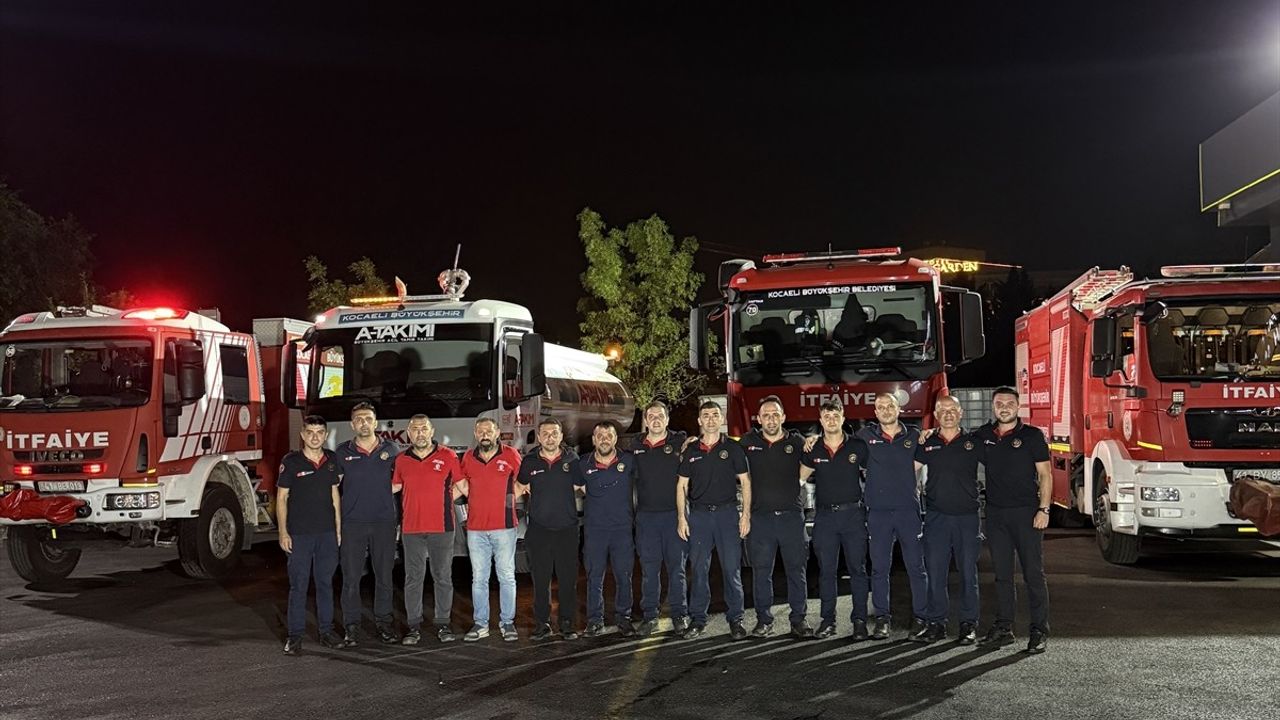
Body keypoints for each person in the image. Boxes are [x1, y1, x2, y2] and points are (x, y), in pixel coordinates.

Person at [973, 387, 1052, 654]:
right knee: (1002, 575)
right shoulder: (984, 436)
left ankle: (1039, 630)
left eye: (1009, 403)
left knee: (1033, 574)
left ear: (1018, 407)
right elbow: (958, 442)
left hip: (1027, 514)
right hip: (996, 515)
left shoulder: (1031, 436)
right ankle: (1004, 627)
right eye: (999, 403)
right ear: (993, 407)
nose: (1004, 407)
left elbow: (1045, 475)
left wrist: (1044, 509)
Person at [911, 395, 984, 645]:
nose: (948, 414)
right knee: (936, 573)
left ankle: (968, 625)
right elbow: (911, 470)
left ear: (961, 413)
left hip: (967, 517)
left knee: (968, 574)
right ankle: (937, 623)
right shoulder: (928, 442)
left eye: (953, 410)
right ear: (936, 415)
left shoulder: (973, 442)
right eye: (943, 410)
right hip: (936, 518)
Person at [677, 400, 752, 640]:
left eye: (715, 415)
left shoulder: (732, 449)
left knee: (731, 570)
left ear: (722, 420)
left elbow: (746, 482)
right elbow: (681, 486)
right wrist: (682, 517)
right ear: (699, 421)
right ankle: (698, 619)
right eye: (706, 415)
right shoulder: (691, 451)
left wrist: (745, 515)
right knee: (699, 570)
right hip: (699, 517)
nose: (710, 419)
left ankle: (736, 619)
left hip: (727, 515)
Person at [856, 392, 928, 640]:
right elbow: (841, 447)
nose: (885, 410)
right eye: (880, 407)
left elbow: (919, 463)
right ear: (875, 413)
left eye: (890, 406)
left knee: (916, 568)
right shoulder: (864, 437)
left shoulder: (915, 436)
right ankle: (882, 620)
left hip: (908, 512)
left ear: (899, 410)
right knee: (879, 569)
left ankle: (921, 618)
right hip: (878, 513)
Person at [740, 395, 812, 639]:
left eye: (775, 414)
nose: (770, 419)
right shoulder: (747, 443)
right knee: (761, 572)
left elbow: (816, 457)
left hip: (791, 518)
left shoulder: (798, 442)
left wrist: (800, 478)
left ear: (783, 417)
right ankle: (763, 621)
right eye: (766, 415)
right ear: (758, 419)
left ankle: (799, 620)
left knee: (796, 570)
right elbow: (723, 450)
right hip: (761, 519)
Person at [800, 399, 871, 640]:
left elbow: (876, 474)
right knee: (826, 572)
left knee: (858, 570)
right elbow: (798, 481)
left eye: (835, 416)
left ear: (843, 418)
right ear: (820, 420)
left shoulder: (858, 447)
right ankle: (827, 621)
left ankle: (860, 621)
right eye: (826, 416)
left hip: (853, 516)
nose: (831, 420)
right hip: (825, 518)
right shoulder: (813, 449)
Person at [394, 414, 464, 645]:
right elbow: (394, 487)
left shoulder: (448, 456)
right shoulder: (402, 459)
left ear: (432, 431)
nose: (420, 433)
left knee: (442, 576)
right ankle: (413, 626)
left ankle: (443, 623)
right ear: (409, 433)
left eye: (424, 429)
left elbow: (463, 486)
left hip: (442, 527)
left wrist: (444, 499)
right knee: (413, 578)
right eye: (415, 429)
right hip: (411, 528)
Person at [278, 415, 344, 655]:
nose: (315, 437)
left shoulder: (332, 460)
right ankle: (294, 636)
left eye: (320, 432)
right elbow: (282, 498)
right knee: (299, 586)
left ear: (325, 435)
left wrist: (338, 529)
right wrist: (283, 532)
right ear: (303, 435)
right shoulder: (291, 462)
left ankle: (326, 631)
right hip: (300, 535)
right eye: (310, 432)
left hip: (326, 534)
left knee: (325, 583)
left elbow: (334, 494)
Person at [336, 401, 401, 646]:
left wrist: (399, 521)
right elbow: (333, 488)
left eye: (368, 418)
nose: (364, 423)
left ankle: (384, 623)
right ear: (353, 424)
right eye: (359, 419)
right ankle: (351, 626)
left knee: (384, 576)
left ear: (376, 423)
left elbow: (402, 484)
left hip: (384, 522)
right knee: (351, 578)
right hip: (353, 523)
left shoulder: (392, 449)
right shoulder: (342, 452)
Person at [628, 400, 690, 636]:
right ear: (645, 420)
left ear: (667, 420)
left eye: (660, 416)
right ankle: (650, 616)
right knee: (649, 569)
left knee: (677, 568)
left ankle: (679, 615)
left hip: (675, 516)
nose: (655, 419)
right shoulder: (636, 446)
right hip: (646, 518)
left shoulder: (679, 442)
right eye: (651, 415)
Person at [516, 418, 582, 642]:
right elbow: (519, 487)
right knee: (540, 581)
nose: (550, 437)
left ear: (561, 436)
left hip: (567, 530)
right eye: (545, 433)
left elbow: (582, 487)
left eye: (554, 433)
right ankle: (542, 624)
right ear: (539, 436)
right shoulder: (529, 461)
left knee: (567, 580)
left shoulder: (572, 459)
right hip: (539, 530)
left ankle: (567, 624)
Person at [458, 417, 523, 642]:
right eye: (480, 431)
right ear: (475, 435)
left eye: (489, 430)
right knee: (479, 579)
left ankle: (507, 623)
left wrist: (508, 501)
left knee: (506, 576)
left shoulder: (511, 455)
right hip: (475, 529)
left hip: (504, 527)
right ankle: (481, 624)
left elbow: (523, 483)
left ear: (497, 433)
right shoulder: (467, 458)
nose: (485, 434)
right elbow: (461, 485)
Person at [576, 420, 637, 637]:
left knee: (624, 576)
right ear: (593, 440)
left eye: (608, 435)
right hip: (595, 531)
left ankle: (624, 618)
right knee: (594, 577)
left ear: (615, 439)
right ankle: (594, 620)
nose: (604, 439)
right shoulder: (583, 464)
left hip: (622, 530)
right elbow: (569, 487)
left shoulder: (629, 460)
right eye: (599, 435)